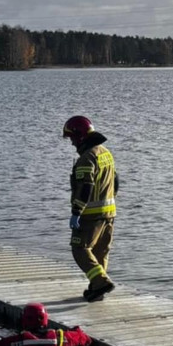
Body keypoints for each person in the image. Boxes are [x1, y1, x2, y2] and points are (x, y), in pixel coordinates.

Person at [63, 116, 119, 302]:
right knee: (100, 252)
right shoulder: (105, 153)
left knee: (80, 249)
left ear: (79, 137)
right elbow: (116, 181)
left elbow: (85, 186)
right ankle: (97, 288)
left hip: (90, 215)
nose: (72, 143)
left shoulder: (86, 159)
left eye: (72, 139)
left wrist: (76, 212)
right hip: (109, 213)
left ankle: (101, 281)